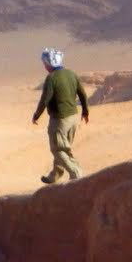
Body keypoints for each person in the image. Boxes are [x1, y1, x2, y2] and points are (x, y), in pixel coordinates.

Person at [31, 49, 90, 184]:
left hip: (59, 120)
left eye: (44, 63)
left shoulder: (51, 78)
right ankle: (56, 174)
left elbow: (45, 99)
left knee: (58, 149)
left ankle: (76, 173)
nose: (44, 66)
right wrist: (85, 111)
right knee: (63, 147)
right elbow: (82, 94)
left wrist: (36, 115)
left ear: (49, 63)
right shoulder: (71, 74)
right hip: (73, 118)